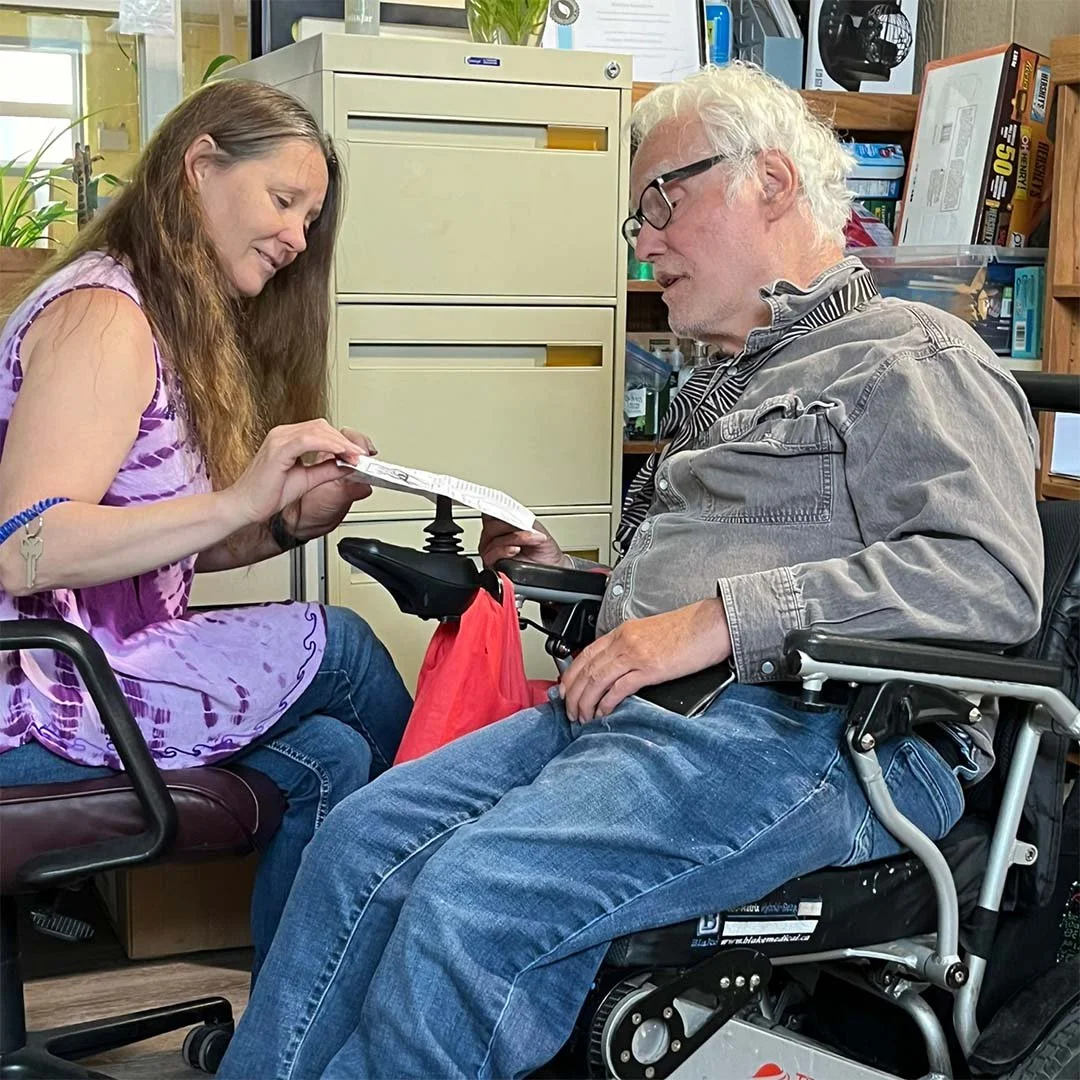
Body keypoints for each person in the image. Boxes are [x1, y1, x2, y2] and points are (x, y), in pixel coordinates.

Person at [219, 62, 1044, 1078]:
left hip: (831, 732)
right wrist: (580, 587)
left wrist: (712, 622)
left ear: (773, 185)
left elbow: (988, 579)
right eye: (638, 221)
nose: (646, 241)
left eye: (663, 201)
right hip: (647, 716)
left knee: (476, 895)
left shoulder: (909, 353)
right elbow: (681, 601)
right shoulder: (720, 393)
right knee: (359, 841)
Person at [0, 80, 411, 978]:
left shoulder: (159, 317)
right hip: (31, 694)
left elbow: (142, 551)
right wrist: (235, 499)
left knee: (335, 758)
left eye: (310, 216)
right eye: (284, 200)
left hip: (95, 672)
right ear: (199, 168)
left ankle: (292, 1036)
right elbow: (27, 545)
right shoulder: (103, 317)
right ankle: (468, 898)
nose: (299, 237)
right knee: (339, 646)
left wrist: (284, 523)